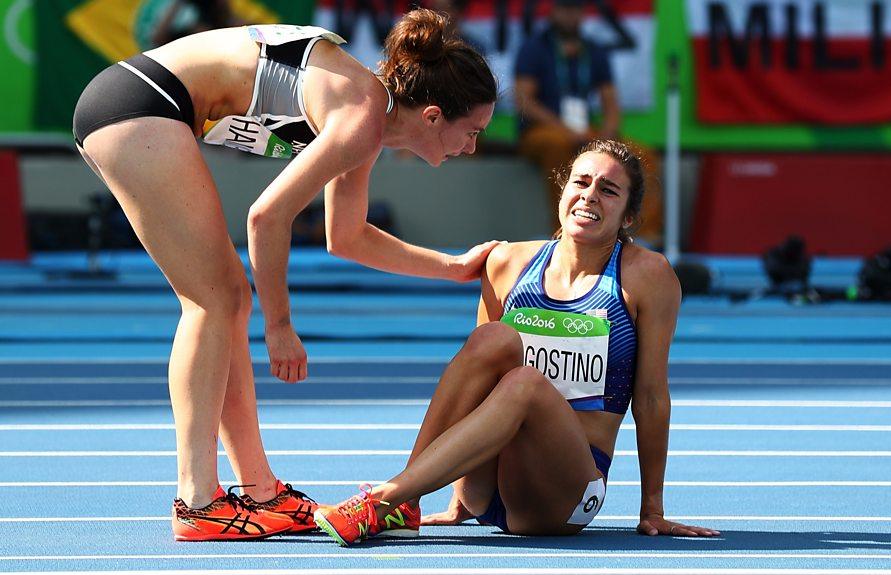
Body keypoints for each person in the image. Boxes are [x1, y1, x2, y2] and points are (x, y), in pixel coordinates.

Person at [72, 9, 498, 541]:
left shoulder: (369, 118)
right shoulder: (362, 118)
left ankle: (260, 491)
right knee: (213, 299)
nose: (473, 147)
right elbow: (266, 216)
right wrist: (280, 326)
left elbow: (347, 236)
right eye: (473, 130)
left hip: (139, 103)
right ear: (433, 116)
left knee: (225, 297)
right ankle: (197, 501)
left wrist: (452, 267)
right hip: (139, 103)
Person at [314, 140, 719, 544]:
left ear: (629, 216)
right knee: (492, 339)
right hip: (484, 487)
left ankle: (389, 497)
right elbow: (474, 379)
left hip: (565, 495)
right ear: (563, 192)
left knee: (524, 384)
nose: (590, 195)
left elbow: (649, 398)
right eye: (581, 182)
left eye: (608, 190)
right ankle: (407, 499)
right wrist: (458, 502)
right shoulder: (507, 263)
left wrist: (653, 510)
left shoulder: (647, 276)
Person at [514, 0, 663, 246]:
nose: (570, 15)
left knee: (642, 156)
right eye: (565, 8)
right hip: (543, 132)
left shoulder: (593, 50)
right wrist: (564, 129)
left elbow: (611, 102)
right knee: (559, 147)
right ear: (553, 11)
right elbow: (524, 102)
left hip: (584, 131)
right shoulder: (534, 47)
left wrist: (608, 132)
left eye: (576, 9)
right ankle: (565, 232)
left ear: (583, 13)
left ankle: (643, 238)